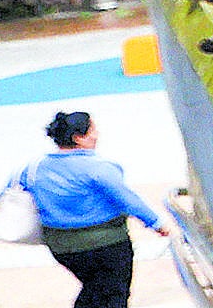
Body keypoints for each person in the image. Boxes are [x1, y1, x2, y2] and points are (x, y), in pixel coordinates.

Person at [18, 111, 170, 308]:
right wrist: (156, 223)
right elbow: (126, 199)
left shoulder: (34, 168)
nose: (97, 135)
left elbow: (14, 192)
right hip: (106, 245)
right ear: (78, 138)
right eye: (93, 130)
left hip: (61, 246)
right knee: (113, 294)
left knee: (95, 289)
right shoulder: (99, 168)